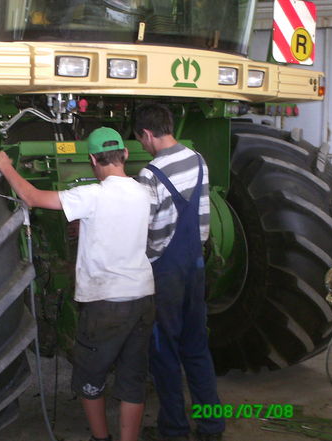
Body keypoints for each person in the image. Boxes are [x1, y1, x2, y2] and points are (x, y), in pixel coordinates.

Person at [0, 127, 155, 441]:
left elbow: (32, 197)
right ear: (125, 155)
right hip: (143, 297)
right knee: (133, 378)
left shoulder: (91, 195)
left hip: (105, 302)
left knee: (90, 375)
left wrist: (5, 165)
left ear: (93, 159)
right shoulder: (144, 192)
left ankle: (100, 438)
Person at [133, 103, 226, 441]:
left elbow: (152, 233)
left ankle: (173, 430)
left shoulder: (150, 174)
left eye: (141, 140)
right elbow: (200, 215)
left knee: (164, 351)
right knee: (197, 348)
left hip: (166, 275)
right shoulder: (198, 160)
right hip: (195, 266)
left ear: (146, 134)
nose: (142, 146)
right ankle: (212, 426)